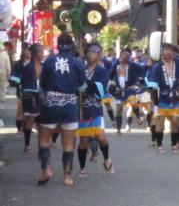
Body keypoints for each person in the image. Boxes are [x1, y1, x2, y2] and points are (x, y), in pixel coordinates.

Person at [38, 33, 85, 186]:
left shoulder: (49, 61)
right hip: (69, 105)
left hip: (50, 104)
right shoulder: (77, 63)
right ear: (72, 46)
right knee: (69, 143)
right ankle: (67, 177)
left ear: (57, 46)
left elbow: (42, 86)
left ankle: (45, 169)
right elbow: (82, 87)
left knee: (44, 140)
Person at [76, 43, 114, 177]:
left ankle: (106, 159)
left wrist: (84, 83)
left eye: (93, 52)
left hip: (95, 108)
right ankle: (82, 168)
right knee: (83, 141)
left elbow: (101, 90)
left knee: (101, 137)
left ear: (99, 54)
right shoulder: (81, 68)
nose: (90, 54)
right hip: (82, 109)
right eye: (88, 51)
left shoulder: (102, 71)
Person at [148, 43, 179, 154]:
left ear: (173, 51)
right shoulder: (157, 67)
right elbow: (152, 85)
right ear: (162, 52)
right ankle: (159, 145)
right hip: (162, 98)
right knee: (160, 123)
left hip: (176, 97)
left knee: (176, 121)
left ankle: (173, 144)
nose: (168, 52)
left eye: (170, 49)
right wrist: (153, 101)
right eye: (165, 50)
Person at [108, 48, 143, 134]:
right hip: (119, 91)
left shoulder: (132, 65)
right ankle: (118, 129)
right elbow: (109, 75)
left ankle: (138, 116)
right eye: (121, 55)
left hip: (130, 89)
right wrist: (111, 82)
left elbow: (142, 69)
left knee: (133, 103)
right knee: (119, 109)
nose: (123, 57)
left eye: (125, 56)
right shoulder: (116, 65)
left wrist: (140, 82)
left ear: (128, 57)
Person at [9, 43, 31, 136]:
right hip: (21, 91)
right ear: (23, 55)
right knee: (20, 111)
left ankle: (26, 128)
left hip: (32, 91)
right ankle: (19, 129)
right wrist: (21, 80)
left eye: (29, 55)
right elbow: (12, 79)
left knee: (30, 112)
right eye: (26, 55)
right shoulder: (18, 64)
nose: (28, 57)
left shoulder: (33, 63)